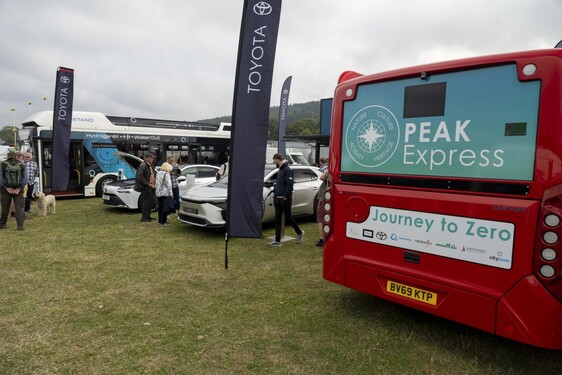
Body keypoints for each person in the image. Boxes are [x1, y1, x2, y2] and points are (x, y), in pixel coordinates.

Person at [267, 153, 304, 247]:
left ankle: (299, 233)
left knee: (289, 218)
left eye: (274, 160)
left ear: (277, 159)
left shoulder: (287, 170)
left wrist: (285, 196)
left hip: (284, 199)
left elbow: (289, 185)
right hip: (277, 198)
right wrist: (276, 192)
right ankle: (277, 240)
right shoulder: (280, 170)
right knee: (277, 219)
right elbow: (281, 183)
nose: (274, 162)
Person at [0, 148, 28, 230]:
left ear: (7, 155)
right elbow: (25, 179)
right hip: (18, 190)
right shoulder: (22, 165)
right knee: (19, 208)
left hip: (5, 190)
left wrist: (6, 187)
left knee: (5, 208)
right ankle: (20, 226)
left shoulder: (2, 164)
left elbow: (0, 179)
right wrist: (19, 188)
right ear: (15, 155)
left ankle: (2, 225)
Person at [134, 153, 156, 222]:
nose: (152, 159)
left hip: (152, 186)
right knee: (146, 202)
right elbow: (140, 177)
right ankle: (144, 218)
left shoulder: (150, 165)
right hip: (146, 187)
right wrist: (148, 184)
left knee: (150, 202)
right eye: (151, 158)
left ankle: (148, 216)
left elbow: (153, 173)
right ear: (147, 158)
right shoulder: (143, 165)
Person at [316, 170, 329, 247]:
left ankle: (321, 239)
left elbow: (321, 177)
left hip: (323, 199)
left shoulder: (328, 173)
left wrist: (326, 171)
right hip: (326, 198)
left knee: (320, 219)